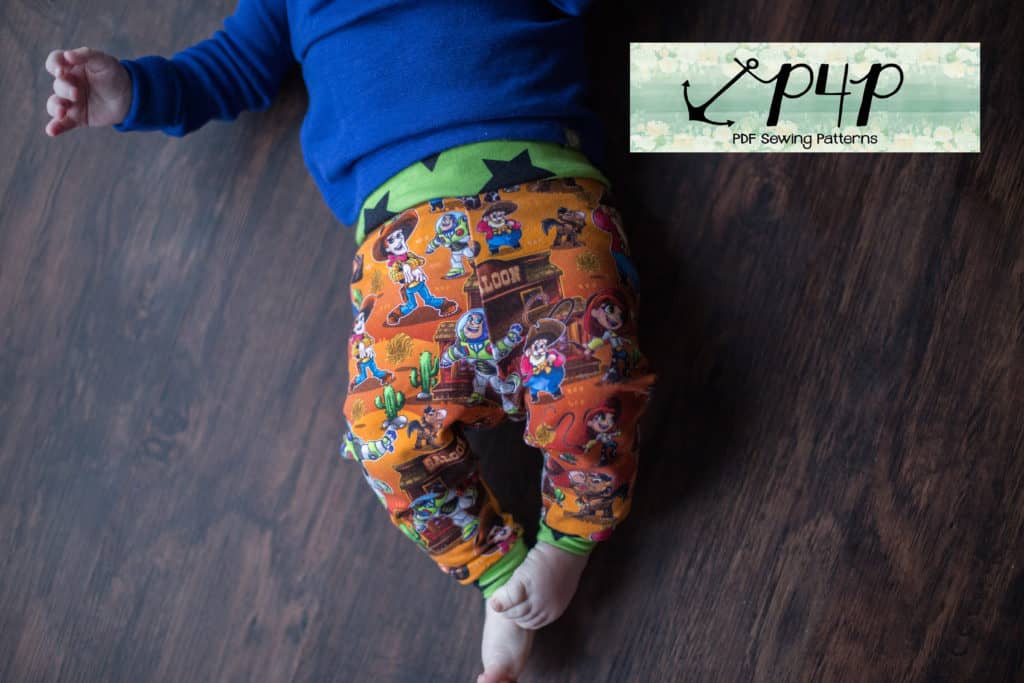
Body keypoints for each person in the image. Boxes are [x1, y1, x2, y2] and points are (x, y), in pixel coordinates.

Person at [43, 3, 656, 680]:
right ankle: (497, 572)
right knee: (382, 441)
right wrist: (133, 90)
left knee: (597, 383)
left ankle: (570, 539)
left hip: (547, 205)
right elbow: (229, 68)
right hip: (403, 254)